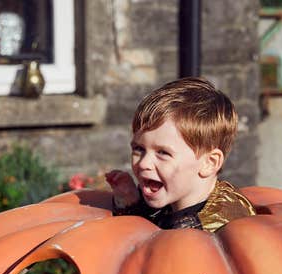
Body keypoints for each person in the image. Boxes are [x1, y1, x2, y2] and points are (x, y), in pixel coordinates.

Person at [105, 77, 255, 232]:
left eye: (163, 152)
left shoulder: (210, 232)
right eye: (139, 149)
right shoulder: (175, 198)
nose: (143, 163)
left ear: (209, 163)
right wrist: (131, 203)